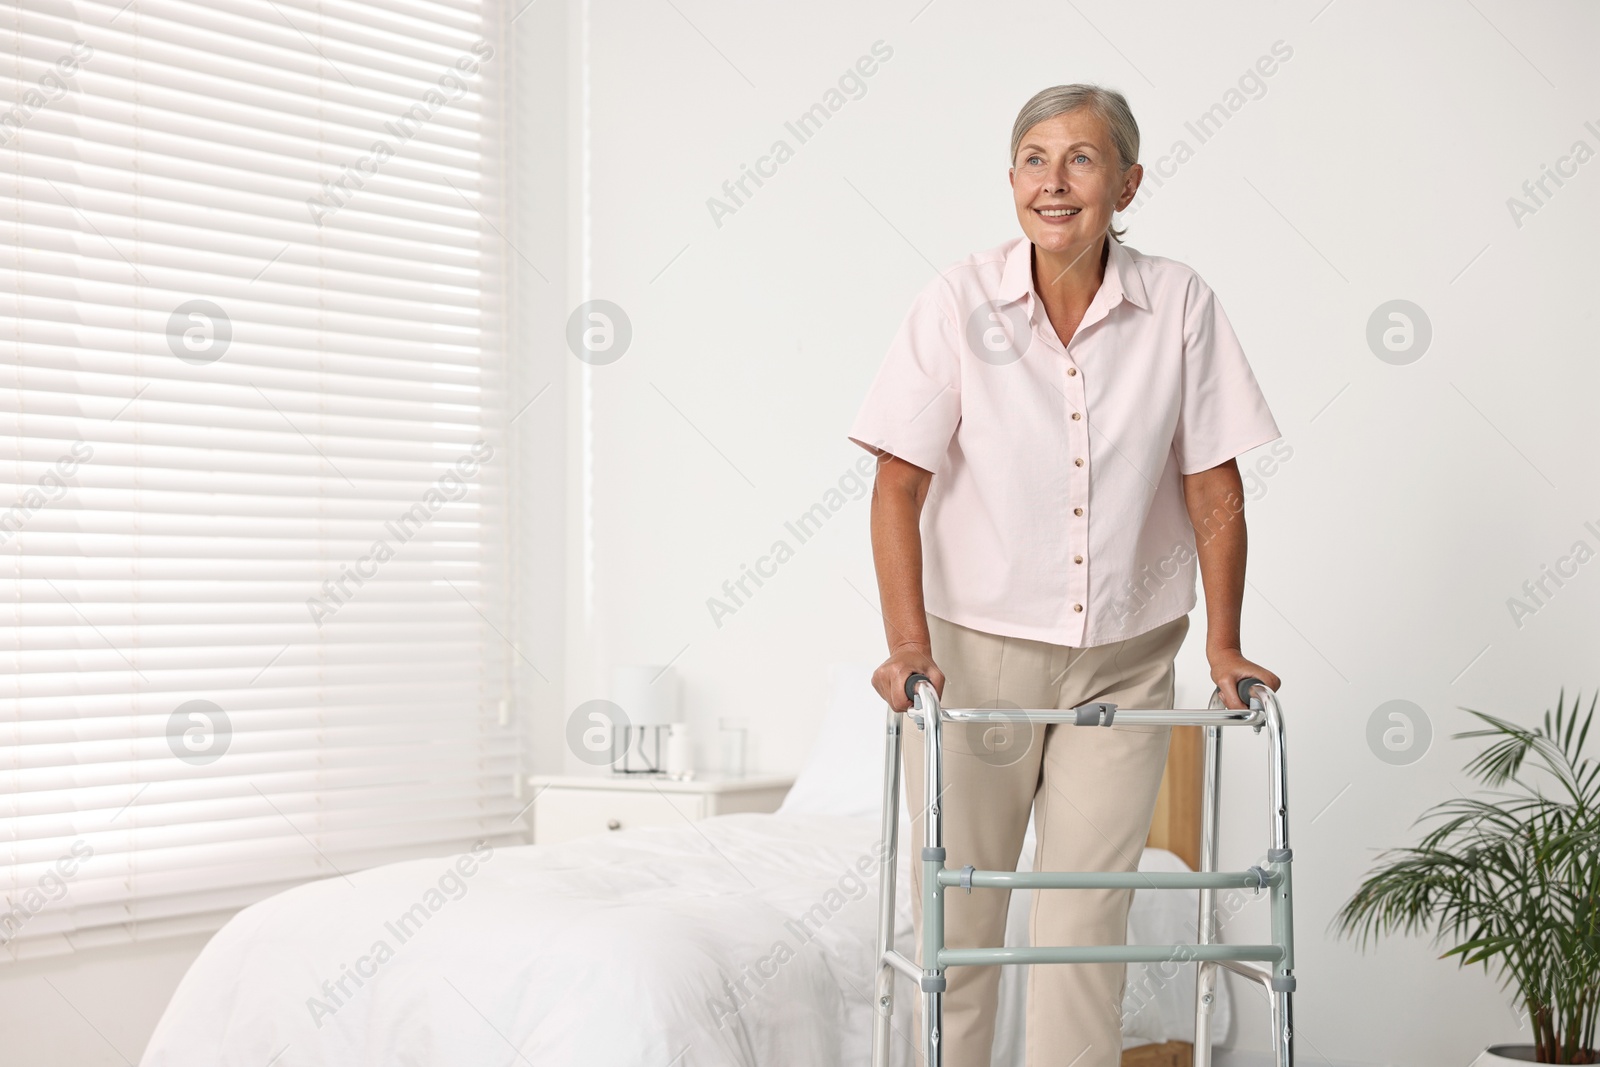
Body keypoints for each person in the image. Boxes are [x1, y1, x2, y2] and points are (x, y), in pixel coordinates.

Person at [847, 83, 1283, 1066]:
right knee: (960, 926)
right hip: (976, 663)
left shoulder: (1178, 302)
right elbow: (895, 483)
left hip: (1123, 665)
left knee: (1085, 928)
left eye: (1082, 159)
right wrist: (908, 645)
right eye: (1035, 159)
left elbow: (1214, 484)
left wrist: (1221, 642)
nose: (1055, 181)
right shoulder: (956, 302)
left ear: (1126, 183)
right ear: (1010, 182)